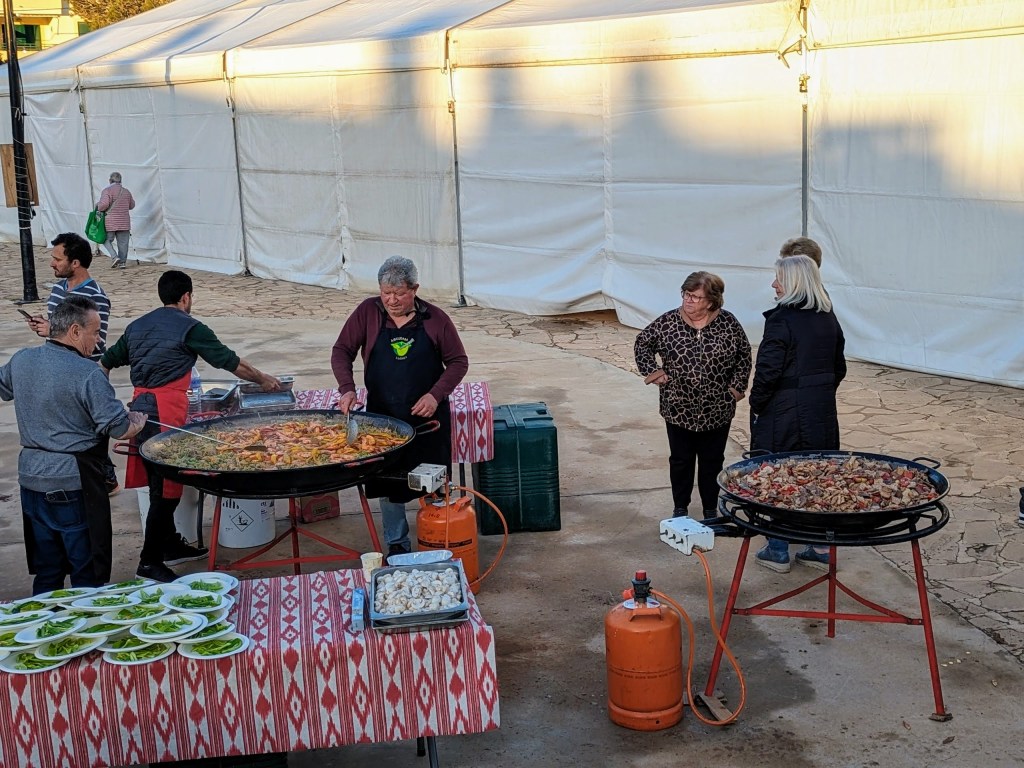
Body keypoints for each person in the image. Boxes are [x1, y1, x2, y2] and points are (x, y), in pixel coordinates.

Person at [101, 270, 280, 582]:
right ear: (186, 297)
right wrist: (264, 379)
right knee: (165, 490)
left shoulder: (136, 326)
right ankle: (149, 561)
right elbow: (231, 362)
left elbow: (105, 362)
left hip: (139, 410)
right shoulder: (190, 327)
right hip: (162, 412)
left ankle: (169, 545)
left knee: (161, 483)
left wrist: (103, 405)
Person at [1, 296, 148, 594]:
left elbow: (3, 389)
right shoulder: (88, 373)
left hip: (30, 477)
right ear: (75, 331)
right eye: (95, 332)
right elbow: (119, 428)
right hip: (73, 481)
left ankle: (44, 628)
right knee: (87, 573)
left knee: (47, 570)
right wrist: (137, 421)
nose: (98, 341)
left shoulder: (21, 359)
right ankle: (85, 631)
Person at [331, 256, 469, 562]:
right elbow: (342, 350)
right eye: (386, 293)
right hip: (383, 419)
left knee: (432, 481)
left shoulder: (435, 319)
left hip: (428, 421)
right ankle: (397, 544)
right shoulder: (367, 312)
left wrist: (435, 395)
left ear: (415, 289)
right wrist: (347, 388)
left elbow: (458, 362)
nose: (392, 300)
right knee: (387, 482)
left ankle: (439, 540)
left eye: (400, 294)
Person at [749, 255, 846, 573]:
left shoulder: (781, 318)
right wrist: (819, 394)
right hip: (820, 411)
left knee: (779, 475)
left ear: (792, 283)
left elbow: (768, 369)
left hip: (784, 412)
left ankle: (777, 548)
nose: (773, 284)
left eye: (778, 278)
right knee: (818, 472)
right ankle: (819, 546)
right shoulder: (827, 316)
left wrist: (757, 403)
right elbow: (838, 367)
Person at [634, 272, 752, 520]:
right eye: (687, 294)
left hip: (717, 408)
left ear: (711, 301)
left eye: (696, 297)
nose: (689, 301)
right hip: (677, 407)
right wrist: (653, 372)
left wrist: (736, 389)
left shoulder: (728, 323)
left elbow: (743, 356)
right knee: (680, 461)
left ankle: (711, 508)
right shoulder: (668, 322)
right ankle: (680, 508)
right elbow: (642, 343)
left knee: (712, 461)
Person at [23, 232, 120, 495]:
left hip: (84, 372)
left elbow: (97, 343)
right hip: (57, 368)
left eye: (57, 259)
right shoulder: (58, 289)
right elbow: (61, 329)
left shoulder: (95, 296)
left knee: (93, 430)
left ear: (75, 263)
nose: (52, 263)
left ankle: (106, 479)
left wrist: (52, 330)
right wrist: (46, 327)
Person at [96, 171, 135, 269]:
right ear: (120, 181)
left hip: (111, 221)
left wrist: (98, 206)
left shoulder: (107, 191)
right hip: (124, 222)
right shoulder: (126, 191)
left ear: (110, 180)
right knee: (123, 243)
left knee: (105, 239)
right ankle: (122, 262)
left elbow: (104, 205)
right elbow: (132, 205)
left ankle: (114, 257)